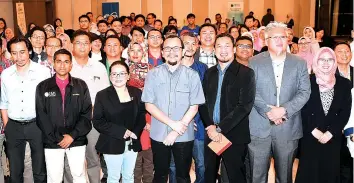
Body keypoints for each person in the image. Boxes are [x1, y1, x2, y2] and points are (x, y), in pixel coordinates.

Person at [248, 22, 311, 183]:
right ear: (265, 40)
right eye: (274, 37)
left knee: (284, 177)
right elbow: (250, 91)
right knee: (257, 177)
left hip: (288, 128)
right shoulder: (253, 62)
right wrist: (268, 111)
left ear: (288, 39)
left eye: (282, 36)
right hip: (259, 128)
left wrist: (283, 110)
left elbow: (304, 92)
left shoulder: (299, 63)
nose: (279, 40)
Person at [141, 35, 205, 182]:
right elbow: (148, 105)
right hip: (159, 134)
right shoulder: (153, 74)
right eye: (168, 48)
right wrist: (173, 124)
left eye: (176, 48)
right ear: (162, 53)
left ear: (183, 51)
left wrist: (176, 131)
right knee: (160, 175)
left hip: (184, 135)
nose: (172, 52)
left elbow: (194, 107)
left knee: (183, 176)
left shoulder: (192, 75)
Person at [199, 33, 255, 183]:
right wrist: (210, 126)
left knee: (235, 176)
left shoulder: (246, 73)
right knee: (209, 174)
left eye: (227, 46)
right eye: (219, 46)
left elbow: (244, 107)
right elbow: (202, 102)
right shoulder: (209, 73)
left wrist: (219, 128)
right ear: (214, 49)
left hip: (234, 134)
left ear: (234, 48)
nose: (223, 50)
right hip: (211, 133)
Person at [295, 47, 352, 183]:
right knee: (310, 174)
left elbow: (345, 111)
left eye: (330, 59)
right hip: (310, 136)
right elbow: (301, 109)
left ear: (334, 62)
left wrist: (330, 133)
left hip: (333, 137)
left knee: (330, 173)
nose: (326, 63)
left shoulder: (344, 84)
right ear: (316, 60)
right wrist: (314, 131)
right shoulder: (306, 82)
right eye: (322, 59)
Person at [36, 49, 92, 183]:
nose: (62, 65)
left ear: (71, 65)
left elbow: (86, 114)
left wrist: (72, 135)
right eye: (59, 62)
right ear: (53, 64)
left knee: (79, 176)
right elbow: (41, 116)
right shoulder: (43, 87)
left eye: (66, 62)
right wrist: (58, 138)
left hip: (76, 139)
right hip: (52, 140)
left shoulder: (81, 85)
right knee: (54, 178)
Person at [0, 37, 51, 183]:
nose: (19, 57)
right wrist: (7, 125)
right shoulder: (6, 74)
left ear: (29, 51)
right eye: (14, 53)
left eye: (22, 52)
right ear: (10, 54)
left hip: (37, 125)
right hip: (14, 126)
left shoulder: (43, 72)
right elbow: (3, 103)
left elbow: (48, 102)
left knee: (40, 169)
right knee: (15, 171)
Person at [65, 30, 110, 183]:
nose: (82, 46)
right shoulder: (66, 66)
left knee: (93, 158)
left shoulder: (99, 68)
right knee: (70, 161)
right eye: (78, 43)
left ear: (91, 46)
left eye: (85, 43)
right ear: (72, 45)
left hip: (92, 121)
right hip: (70, 122)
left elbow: (105, 96)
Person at [93, 61, 146, 183]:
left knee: (129, 176)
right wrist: (122, 132)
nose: (118, 77)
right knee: (114, 177)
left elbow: (141, 115)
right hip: (112, 142)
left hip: (133, 142)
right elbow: (98, 121)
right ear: (110, 76)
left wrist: (135, 133)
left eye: (122, 74)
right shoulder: (102, 95)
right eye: (114, 74)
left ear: (128, 76)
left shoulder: (136, 93)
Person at [179, 32, 208, 183]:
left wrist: (194, 119)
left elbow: (205, 99)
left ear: (197, 46)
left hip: (199, 125)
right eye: (186, 43)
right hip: (177, 125)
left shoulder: (203, 69)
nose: (189, 47)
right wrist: (185, 121)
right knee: (177, 166)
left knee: (202, 165)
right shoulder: (171, 67)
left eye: (193, 43)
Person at [334, 42, 354, 183]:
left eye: (347, 51)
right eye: (340, 51)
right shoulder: (328, 74)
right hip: (336, 126)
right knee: (338, 162)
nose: (344, 54)